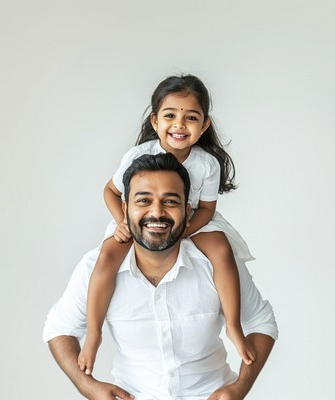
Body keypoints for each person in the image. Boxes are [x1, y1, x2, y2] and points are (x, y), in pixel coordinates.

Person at [43, 152, 278, 400]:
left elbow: (262, 323)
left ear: (188, 212)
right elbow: (59, 328)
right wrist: (87, 386)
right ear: (125, 209)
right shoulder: (97, 267)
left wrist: (240, 387)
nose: (157, 212)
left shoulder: (218, 264)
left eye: (170, 202)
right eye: (144, 200)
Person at [79, 75, 256, 376]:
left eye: (191, 118)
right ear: (155, 120)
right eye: (170, 116)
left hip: (192, 218)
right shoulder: (139, 155)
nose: (179, 124)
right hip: (142, 221)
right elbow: (111, 191)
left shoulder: (206, 164)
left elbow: (209, 209)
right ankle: (94, 333)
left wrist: (184, 230)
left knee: (221, 250)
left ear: (204, 126)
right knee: (107, 256)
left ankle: (234, 326)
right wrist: (122, 222)